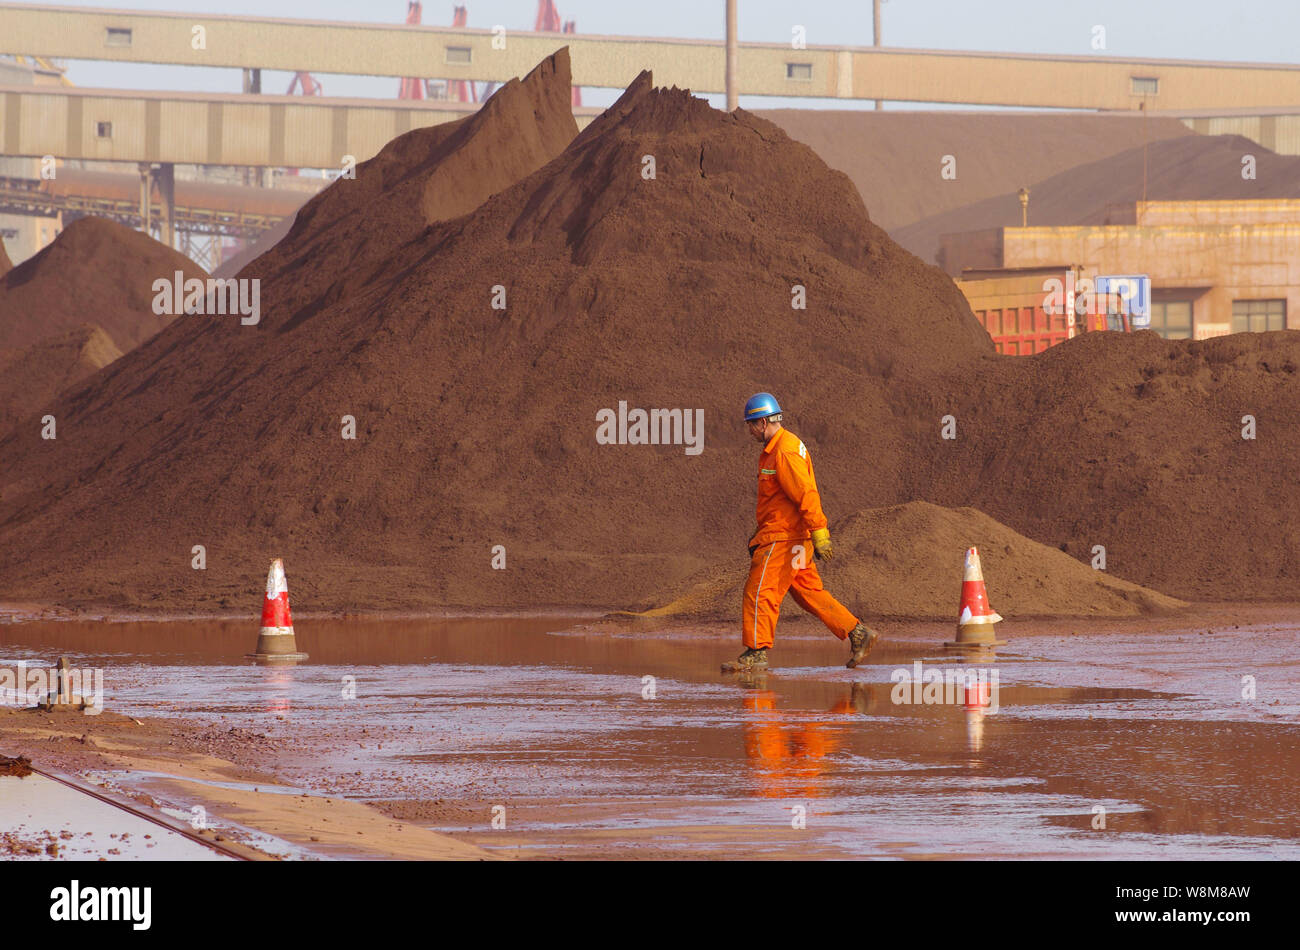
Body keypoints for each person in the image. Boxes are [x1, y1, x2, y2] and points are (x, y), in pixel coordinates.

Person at [722, 393, 879, 673]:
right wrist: (759, 532)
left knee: (759, 592)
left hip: (784, 538)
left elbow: (805, 493)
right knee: (808, 591)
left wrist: (820, 531)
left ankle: (756, 653)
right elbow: (778, 499)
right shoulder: (779, 447)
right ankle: (857, 632)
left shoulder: (784, 451)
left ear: (764, 421)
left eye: (751, 424)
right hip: (788, 536)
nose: (749, 430)